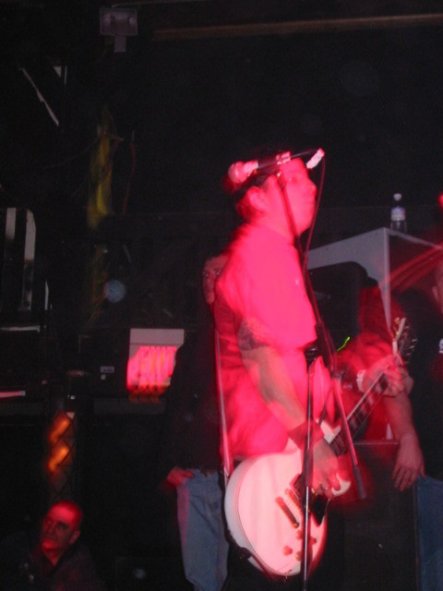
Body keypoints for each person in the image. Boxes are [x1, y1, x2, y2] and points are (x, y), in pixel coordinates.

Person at [213, 151, 418, 591]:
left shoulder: (283, 258)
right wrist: (311, 440)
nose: (310, 187)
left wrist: (367, 378)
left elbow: (301, 367)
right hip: (275, 466)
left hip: (297, 459)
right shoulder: (257, 255)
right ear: (260, 197)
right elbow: (262, 362)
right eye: (293, 180)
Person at [158, 253, 229, 591]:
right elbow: (175, 407)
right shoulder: (195, 345)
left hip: (241, 478)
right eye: (204, 274)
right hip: (197, 477)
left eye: (218, 272)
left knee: (241, 573)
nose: (208, 280)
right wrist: (167, 462)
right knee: (202, 579)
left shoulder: (253, 337)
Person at [395, 259, 443, 591]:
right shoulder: (424, 336)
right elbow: (395, 387)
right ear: (437, 292)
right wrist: (407, 437)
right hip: (436, 481)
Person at [0, 499, 107, 590]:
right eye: (48, 521)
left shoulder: (81, 567)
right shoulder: (18, 546)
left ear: (73, 536)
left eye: (61, 526)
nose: (50, 530)